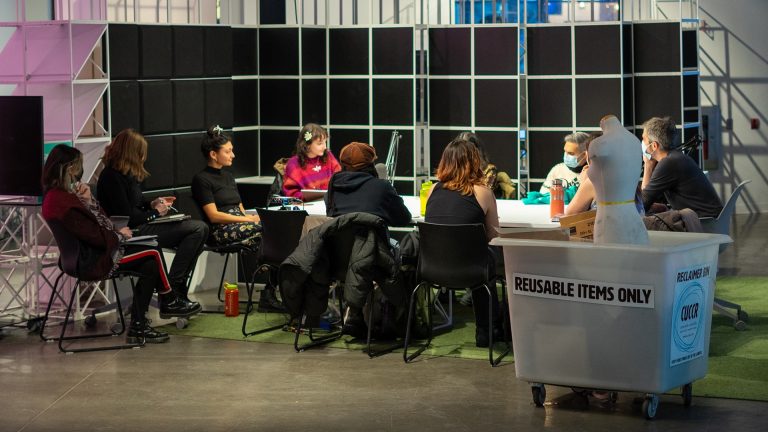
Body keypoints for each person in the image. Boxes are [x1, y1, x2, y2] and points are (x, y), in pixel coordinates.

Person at [41, 145, 194, 344]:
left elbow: (95, 229)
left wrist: (90, 203)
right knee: (152, 252)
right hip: (92, 261)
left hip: (79, 259)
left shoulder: (54, 198)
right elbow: (96, 234)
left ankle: (142, 324)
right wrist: (118, 235)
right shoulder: (67, 203)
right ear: (70, 168)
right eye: (78, 166)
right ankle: (167, 299)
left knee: (149, 262)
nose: (80, 171)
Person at [97, 129, 207, 312]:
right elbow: (127, 218)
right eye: (141, 154)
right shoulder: (111, 177)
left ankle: (172, 289)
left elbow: (135, 206)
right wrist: (155, 213)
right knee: (198, 229)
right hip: (131, 233)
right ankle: (171, 292)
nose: (143, 159)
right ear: (132, 153)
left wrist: (151, 204)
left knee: (199, 231)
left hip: (141, 226)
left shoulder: (126, 176)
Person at [191, 126, 284, 313]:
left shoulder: (228, 177)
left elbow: (240, 208)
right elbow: (214, 216)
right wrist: (248, 221)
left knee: (278, 228)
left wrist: (251, 217)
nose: (233, 155)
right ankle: (268, 292)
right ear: (213, 154)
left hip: (239, 224)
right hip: (220, 231)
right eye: (228, 151)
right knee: (267, 233)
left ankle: (270, 289)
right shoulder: (201, 180)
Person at [324, 141, 411, 337]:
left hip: (338, 263)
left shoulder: (334, 186)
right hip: (374, 263)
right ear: (371, 166)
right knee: (405, 250)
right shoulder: (381, 187)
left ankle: (356, 314)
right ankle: (400, 316)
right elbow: (403, 218)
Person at [424, 138, 502, 348]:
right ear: (475, 162)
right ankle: (487, 329)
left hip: (433, 270)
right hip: (472, 271)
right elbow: (493, 236)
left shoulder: (433, 190)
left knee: (477, 256)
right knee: (486, 258)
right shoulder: (483, 192)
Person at [641, 116, 723, 218]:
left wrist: (648, 165)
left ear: (654, 146)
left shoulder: (668, 163)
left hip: (704, 223)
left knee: (643, 224)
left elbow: (642, 204)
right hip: (709, 219)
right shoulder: (676, 157)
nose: (642, 143)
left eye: (643, 139)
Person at [325, 141, 411, 227]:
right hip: (373, 240)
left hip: (338, 240)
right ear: (371, 164)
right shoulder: (382, 187)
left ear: (342, 164)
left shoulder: (332, 190)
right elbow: (404, 219)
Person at [282, 123, 341, 200]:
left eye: (325, 142)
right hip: (306, 206)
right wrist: (306, 197)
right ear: (307, 145)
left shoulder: (328, 156)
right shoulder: (294, 164)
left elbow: (340, 178)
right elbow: (290, 192)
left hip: (330, 203)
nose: (325, 147)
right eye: (320, 143)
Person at [455, 132, 516, 199]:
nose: (465, 154)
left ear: (477, 151)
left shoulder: (489, 170)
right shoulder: (453, 169)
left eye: (468, 150)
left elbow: (483, 195)